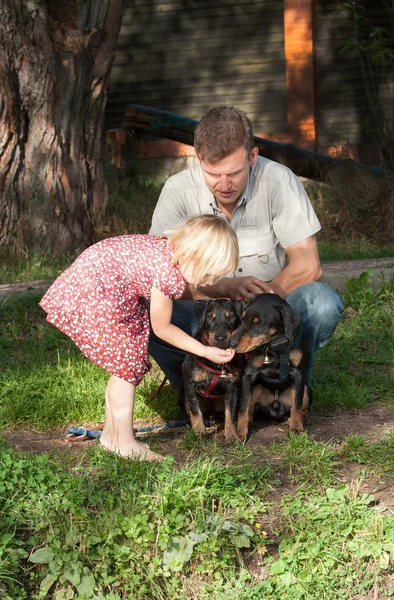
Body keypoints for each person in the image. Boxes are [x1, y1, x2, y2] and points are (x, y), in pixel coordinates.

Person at [149, 106, 344, 391]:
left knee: (323, 302)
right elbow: (158, 279)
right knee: (140, 311)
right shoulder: (177, 190)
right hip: (206, 315)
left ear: (252, 156)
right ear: (198, 158)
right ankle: (201, 394)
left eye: (235, 173)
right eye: (213, 174)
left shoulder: (278, 181)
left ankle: (287, 387)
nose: (224, 184)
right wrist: (223, 288)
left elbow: (308, 265)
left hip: (270, 307)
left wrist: (259, 307)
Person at [39, 215, 239, 461]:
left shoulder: (168, 248)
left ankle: (112, 436)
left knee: (121, 366)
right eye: (209, 274)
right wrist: (205, 351)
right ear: (193, 253)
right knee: (126, 366)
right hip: (99, 289)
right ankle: (124, 441)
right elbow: (163, 328)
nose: (209, 282)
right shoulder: (167, 273)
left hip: (99, 280)